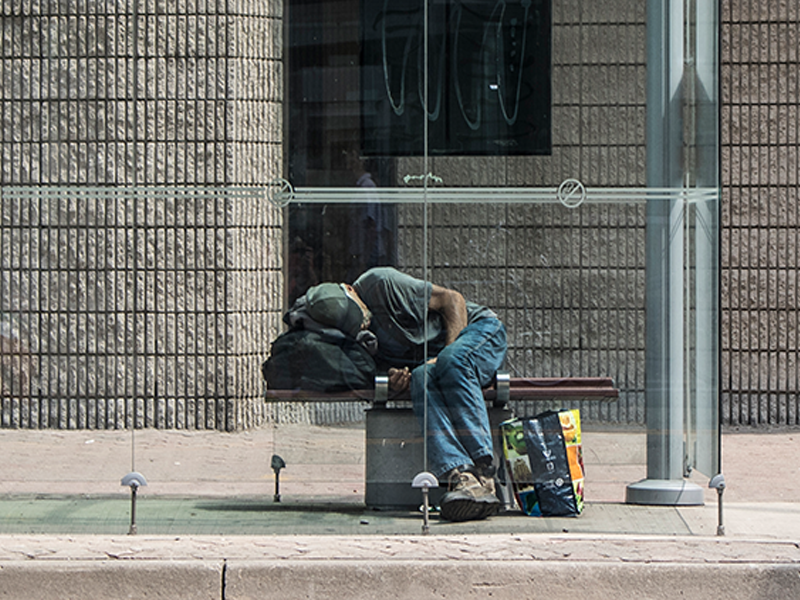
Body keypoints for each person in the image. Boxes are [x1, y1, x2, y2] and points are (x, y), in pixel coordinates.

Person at [304, 267, 507, 522]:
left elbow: (452, 300)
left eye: (357, 314)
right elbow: (388, 369)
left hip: (478, 332)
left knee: (451, 361)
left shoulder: (380, 283)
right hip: (437, 364)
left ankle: (485, 471)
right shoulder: (354, 335)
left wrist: (444, 356)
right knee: (420, 379)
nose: (363, 322)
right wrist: (394, 379)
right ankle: (463, 477)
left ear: (351, 291)